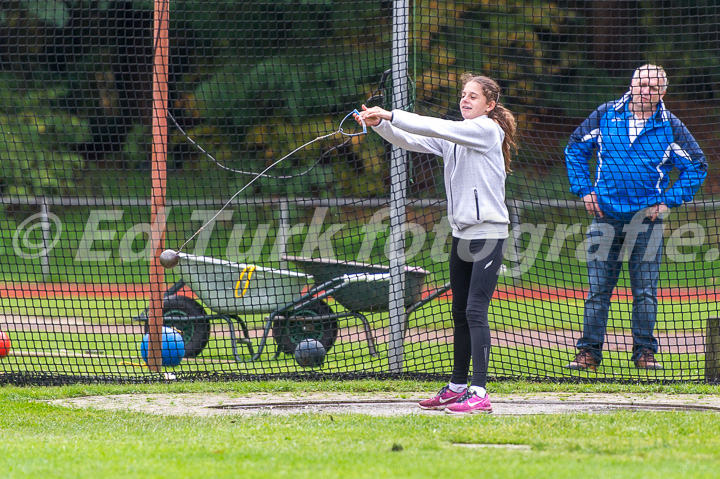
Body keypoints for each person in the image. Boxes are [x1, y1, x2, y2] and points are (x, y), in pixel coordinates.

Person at [356, 73, 517, 414]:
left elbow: (434, 127)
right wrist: (378, 124)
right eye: (463, 94)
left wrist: (390, 113)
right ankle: (458, 387)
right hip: (461, 236)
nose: (465, 100)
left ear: (489, 105)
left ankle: (480, 391)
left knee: (475, 310)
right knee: (459, 311)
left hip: (488, 234)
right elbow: (410, 140)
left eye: (473, 96)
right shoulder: (458, 135)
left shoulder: (486, 130)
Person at [565, 64, 707, 371]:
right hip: (605, 217)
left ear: (663, 92)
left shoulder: (670, 125)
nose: (646, 91)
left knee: (645, 292)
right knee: (598, 291)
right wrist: (584, 190)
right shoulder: (605, 114)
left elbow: (697, 165)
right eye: (641, 84)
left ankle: (645, 353)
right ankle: (588, 353)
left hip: (647, 222)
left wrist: (668, 201)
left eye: (653, 87)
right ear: (631, 84)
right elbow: (575, 148)